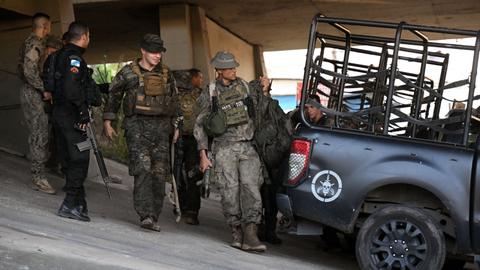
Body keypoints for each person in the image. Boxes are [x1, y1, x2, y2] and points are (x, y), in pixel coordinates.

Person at [103, 34, 180, 232]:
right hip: (137, 127)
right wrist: (108, 121)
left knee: (159, 173)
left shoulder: (166, 73)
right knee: (143, 168)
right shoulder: (128, 73)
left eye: (160, 52)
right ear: (143, 51)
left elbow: (174, 100)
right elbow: (114, 96)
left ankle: (154, 213)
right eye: (153, 52)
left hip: (161, 129)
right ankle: (145, 214)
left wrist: (176, 125)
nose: (157, 56)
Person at [194, 51, 268, 252]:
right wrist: (203, 154)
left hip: (247, 146)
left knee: (251, 187)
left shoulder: (244, 87)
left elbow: (260, 110)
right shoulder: (210, 93)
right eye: (229, 68)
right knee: (229, 191)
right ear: (219, 71)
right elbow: (199, 125)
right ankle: (236, 231)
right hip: (224, 148)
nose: (234, 70)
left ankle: (251, 234)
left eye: (234, 66)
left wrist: (265, 90)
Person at [50, 22, 98, 222]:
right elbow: (71, 89)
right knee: (80, 157)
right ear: (84, 36)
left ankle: (78, 201)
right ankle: (70, 203)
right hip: (72, 117)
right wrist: (82, 112)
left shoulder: (56, 56)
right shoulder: (74, 59)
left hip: (59, 114)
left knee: (69, 158)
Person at [18, 12, 55, 194]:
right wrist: (44, 88)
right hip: (33, 93)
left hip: (33, 91)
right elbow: (29, 71)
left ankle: (39, 174)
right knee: (38, 134)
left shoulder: (32, 42)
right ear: (45, 26)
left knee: (40, 133)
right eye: (49, 26)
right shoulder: (34, 43)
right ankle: (38, 178)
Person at [175, 68, 204, 225]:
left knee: (193, 175)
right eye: (199, 77)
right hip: (176, 138)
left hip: (194, 140)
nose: (201, 80)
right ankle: (181, 205)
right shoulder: (174, 94)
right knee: (177, 174)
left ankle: (192, 211)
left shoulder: (201, 96)